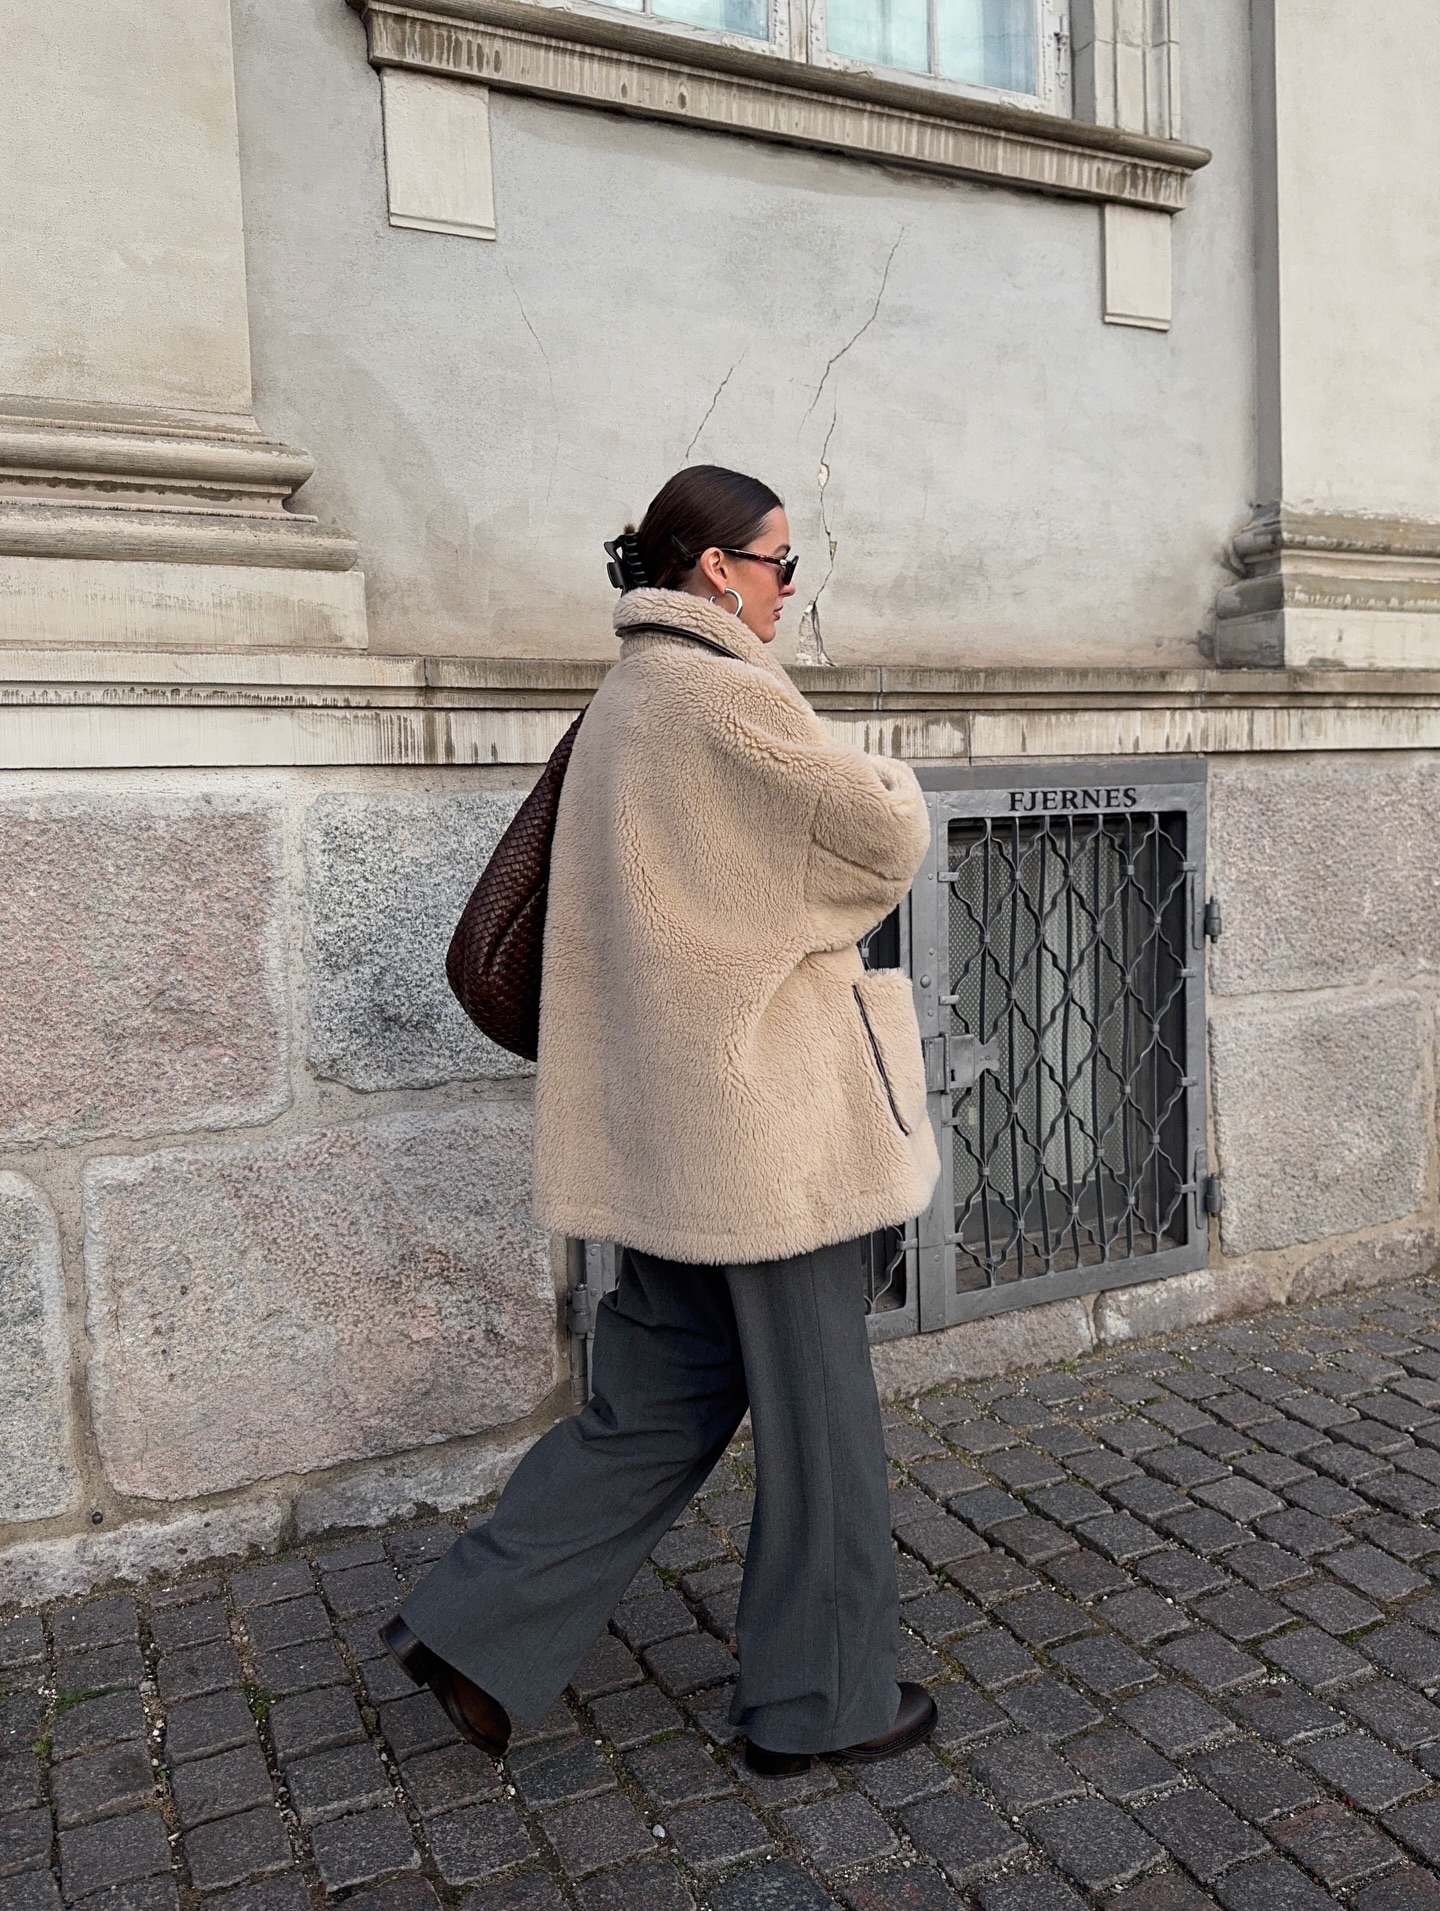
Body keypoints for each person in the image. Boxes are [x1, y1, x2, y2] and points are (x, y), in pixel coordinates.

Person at [381, 464, 941, 1776]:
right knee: (820, 1421)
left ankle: (478, 1631)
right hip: (763, 1133)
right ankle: (826, 1701)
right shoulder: (727, 693)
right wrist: (898, 784)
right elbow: (869, 842)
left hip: (670, 1129)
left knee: (659, 1396)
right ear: (712, 569)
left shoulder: (629, 694)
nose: (789, 593)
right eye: (780, 565)